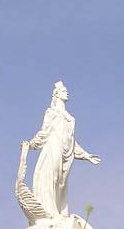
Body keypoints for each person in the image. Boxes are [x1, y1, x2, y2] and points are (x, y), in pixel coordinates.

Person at [25, 81, 100, 216]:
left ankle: (59, 212)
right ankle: (49, 210)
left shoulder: (68, 117)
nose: (67, 92)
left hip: (64, 151)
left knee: (61, 183)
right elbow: (44, 131)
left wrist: (86, 155)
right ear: (56, 94)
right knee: (52, 177)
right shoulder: (52, 112)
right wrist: (31, 144)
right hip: (53, 146)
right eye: (64, 91)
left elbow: (70, 140)